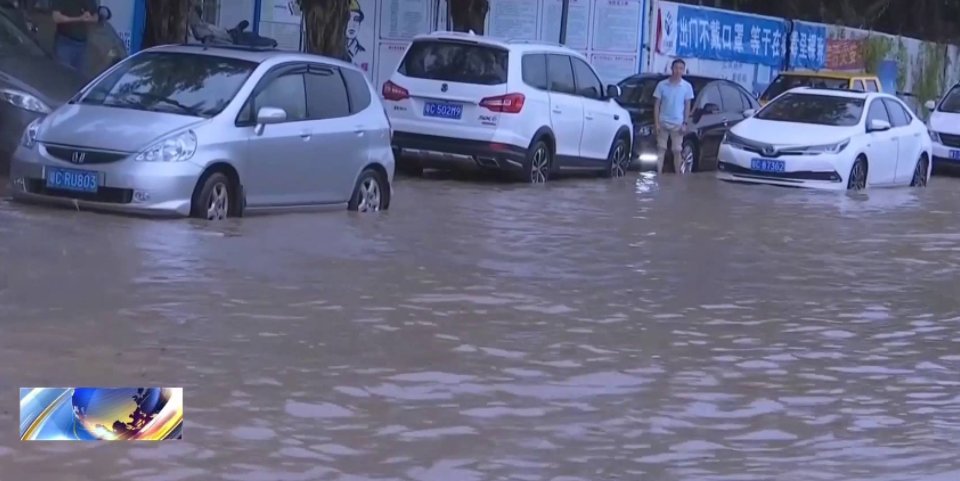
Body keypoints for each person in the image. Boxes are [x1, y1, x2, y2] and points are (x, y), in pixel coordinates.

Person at [653, 58, 695, 175]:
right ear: (671, 69)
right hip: (663, 122)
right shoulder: (662, 85)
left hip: (678, 124)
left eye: (681, 69)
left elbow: (687, 107)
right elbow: (656, 105)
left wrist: (685, 123)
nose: (678, 71)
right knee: (661, 149)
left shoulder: (687, 87)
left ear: (683, 71)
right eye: (676, 68)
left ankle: (678, 176)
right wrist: (656, 124)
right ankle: (658, 175)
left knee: (677, 150)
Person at [51, 0, 98, 71]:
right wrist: (79, 18)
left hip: (82, 44)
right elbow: (56, 17)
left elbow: (96, 17)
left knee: (77, 76)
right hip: (65, 42)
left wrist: (89, 18)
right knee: (62, 73)